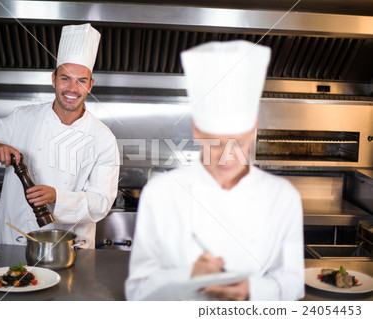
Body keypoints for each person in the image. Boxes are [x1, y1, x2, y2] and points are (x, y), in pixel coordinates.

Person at [125, 40, 304, 301]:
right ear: (197, 130)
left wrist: (252, 289)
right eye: (216, 143)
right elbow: (137, 292)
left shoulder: (283, 196)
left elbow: (294, 282)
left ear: (254, 130)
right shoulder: (161, 193)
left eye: (239, 142)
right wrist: (187, 276)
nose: (227, 157)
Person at [0, 24, 119, 248]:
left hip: (69, 249)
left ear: (90, 85)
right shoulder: (23, 118)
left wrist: (57, 197)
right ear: (53, 79)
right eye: (65, 78)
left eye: (81, 81)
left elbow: (101, 203)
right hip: (15, 243)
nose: (72, 88)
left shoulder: (103, 138)